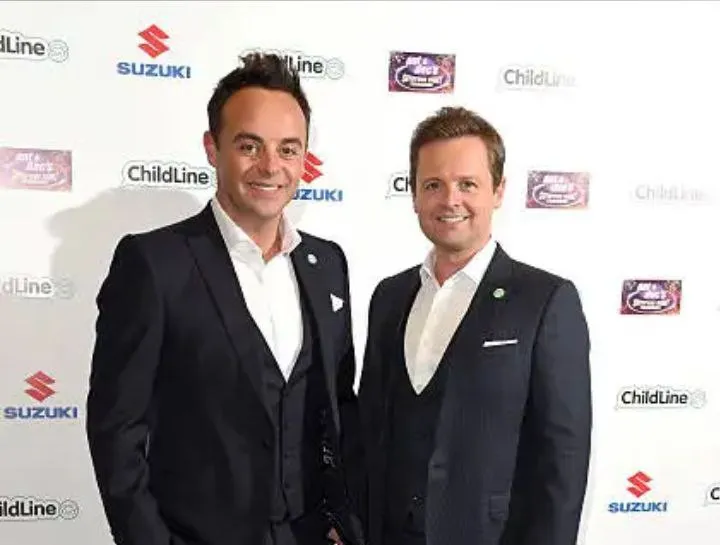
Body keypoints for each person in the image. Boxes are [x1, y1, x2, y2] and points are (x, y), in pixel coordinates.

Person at [86, 53, 364, 545]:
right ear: (212, 149)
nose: (271, 166)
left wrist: (344, 519)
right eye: (249, 146)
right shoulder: (154, 264)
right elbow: (116, 431)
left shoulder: (327, 263)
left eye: (288, 149)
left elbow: (338, 405)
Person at [358, 106, 592, 545]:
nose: (450, 200)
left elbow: (562, 460)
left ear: (497, 191)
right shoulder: (388, 297)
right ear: (413, 195)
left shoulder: (545, 301)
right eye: (433, 185)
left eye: (467, 184)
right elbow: (368, 429)